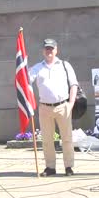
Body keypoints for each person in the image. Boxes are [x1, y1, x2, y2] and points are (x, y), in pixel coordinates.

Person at [29, 38, 78, 177]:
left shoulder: (64, 65)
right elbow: (26, 81)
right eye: (47, 48)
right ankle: (50, 167)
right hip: (45, 107)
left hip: (63, 106)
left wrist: (71, 103)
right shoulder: (37, 67)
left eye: (51, 48)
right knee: (47, 139)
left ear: (56, 50)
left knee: (67, 138)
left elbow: (73, 84)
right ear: (43, 51)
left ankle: (69, 166)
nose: (49, 51)